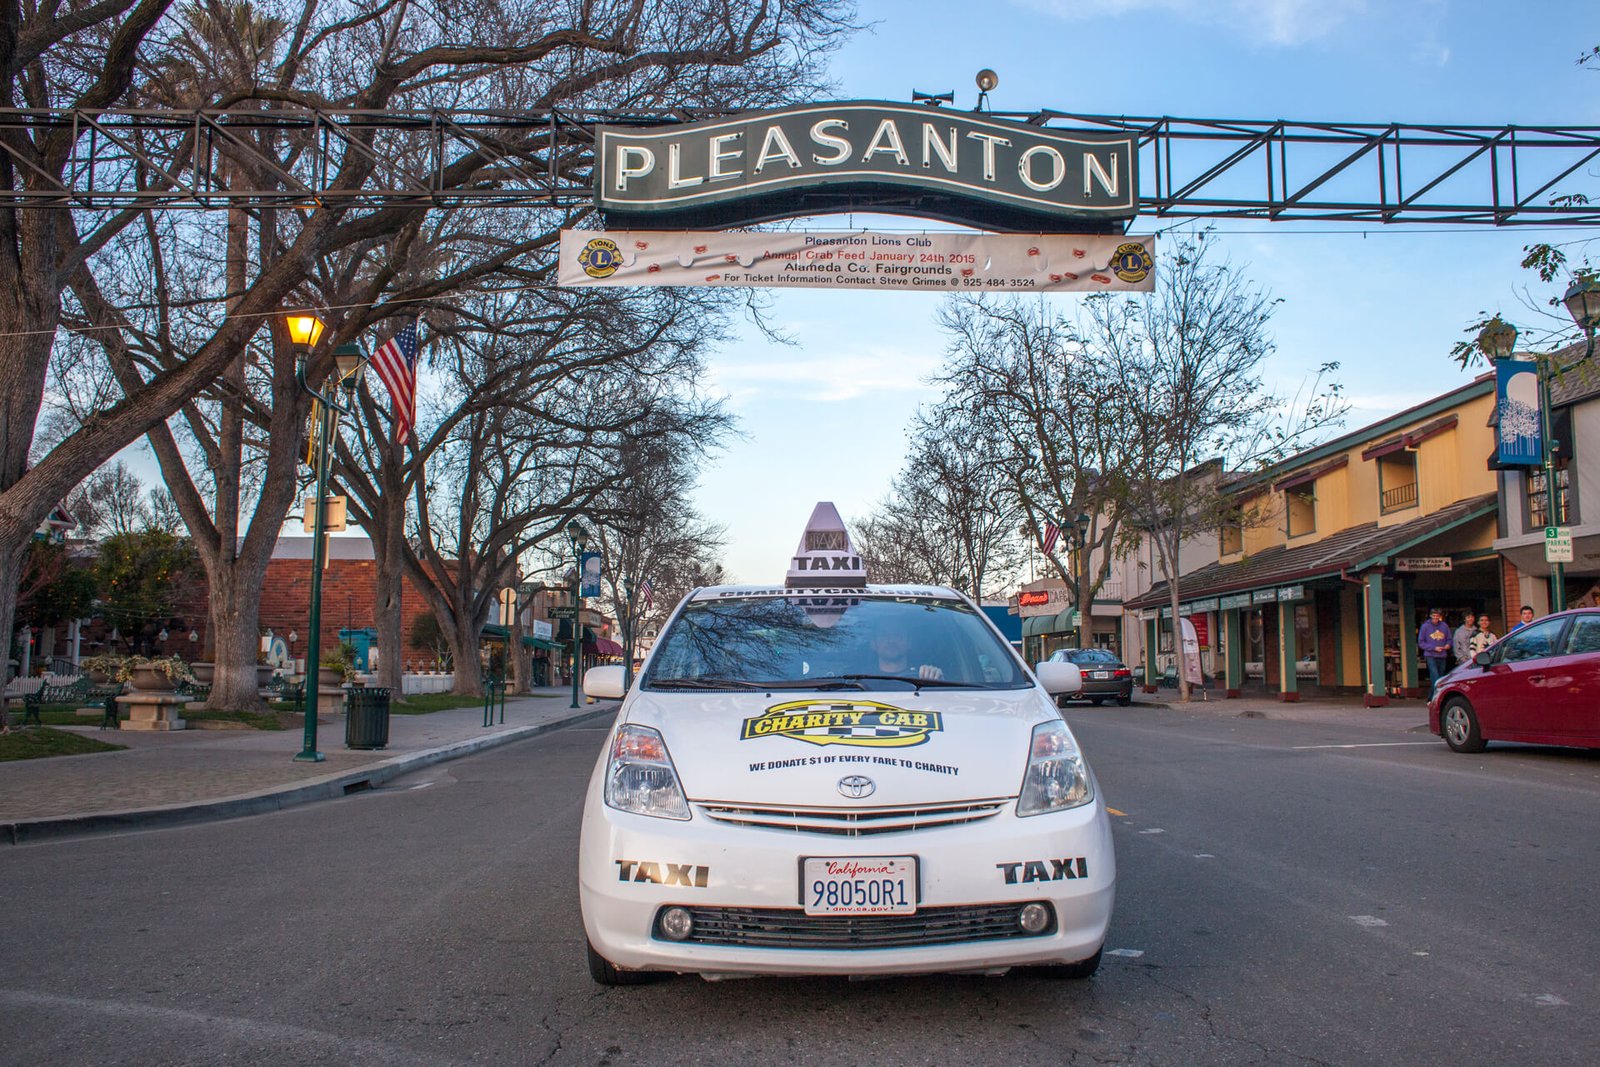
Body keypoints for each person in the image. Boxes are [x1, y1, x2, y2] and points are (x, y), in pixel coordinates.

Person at [869, 620, 944, 680]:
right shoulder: (861, 680)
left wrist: (937, 680)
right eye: (883, 635)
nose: (891, 640)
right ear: (873, 644)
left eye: (897, 635)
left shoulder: (925, 676)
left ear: (909, 642)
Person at [1417, 608, 1452, 691]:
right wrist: (1433, 648)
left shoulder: (1444, 626)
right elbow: (1421, 643)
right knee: (1435, 676)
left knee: (1441, 677)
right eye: (1434, 616)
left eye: (1437, 616)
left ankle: (1432, 697)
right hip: (1430, 655)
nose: (1436, 618)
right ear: (1430, 616)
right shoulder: (1425, 626)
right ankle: (1434, 697)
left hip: (1442, 655)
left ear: (1440, 616)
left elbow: (1449, 639)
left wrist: (1448, 645)